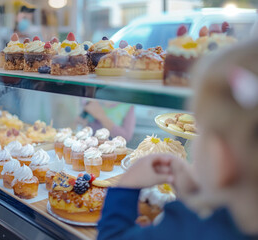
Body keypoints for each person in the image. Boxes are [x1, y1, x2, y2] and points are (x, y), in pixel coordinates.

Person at [97, 39, 258, 239]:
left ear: (220, 154)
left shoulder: (185, 228)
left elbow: (112, 236)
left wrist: (128, 185)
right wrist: (193, 194)